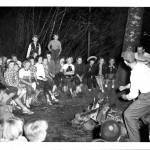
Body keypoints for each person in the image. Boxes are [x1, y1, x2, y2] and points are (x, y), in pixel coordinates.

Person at [119, 50, 150, 142]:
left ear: (125, 62)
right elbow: (138, 81)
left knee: (128, 115)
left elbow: (133, 95)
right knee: (144, 115)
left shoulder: (134, 73)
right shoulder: (142, 65)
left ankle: (135, 142)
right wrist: (125, 86)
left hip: (147, 97)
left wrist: (125, 97)